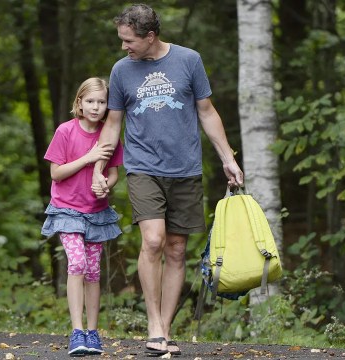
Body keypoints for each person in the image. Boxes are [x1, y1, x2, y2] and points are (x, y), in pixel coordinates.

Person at [91, 4, 244, 357]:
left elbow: (207, 112)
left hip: (186, 169)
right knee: (154, 240)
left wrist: (228, 159)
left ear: (150, 36)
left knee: (176, 249)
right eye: (121, 40)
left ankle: (166, 327)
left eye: (129, 40)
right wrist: (98, 168)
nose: (123, 47)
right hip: (143, 167)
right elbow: (113, 123)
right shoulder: (121, 71)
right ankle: (154, 326)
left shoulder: (189, 61)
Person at [41, 77, 124, 356]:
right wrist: (89, 158)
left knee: (94, 271)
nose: (96, 107)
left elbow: (113, 174)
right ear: (79, 103)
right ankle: (77, 332)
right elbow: (56, 173)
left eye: (102, 102)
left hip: (95, 212)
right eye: (90, 101)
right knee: (76, 264)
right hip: (67, 209)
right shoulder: (65, 131)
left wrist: (105, 185)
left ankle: (92, 332)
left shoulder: (109, 134)